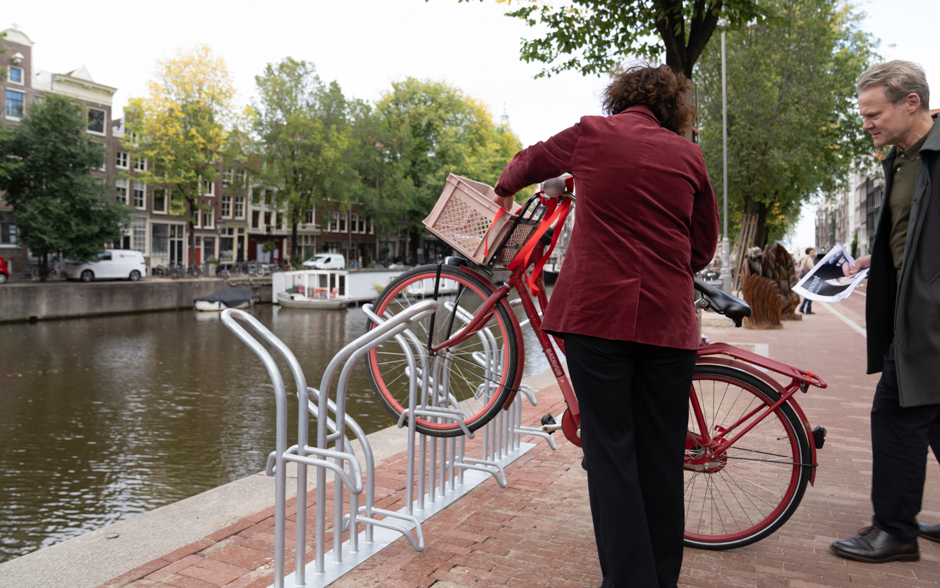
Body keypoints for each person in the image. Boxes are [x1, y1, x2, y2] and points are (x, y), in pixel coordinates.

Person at [493, 64, 718, 588]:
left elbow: (528, 161)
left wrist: (505, 190)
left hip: (598, 319)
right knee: (661, 456)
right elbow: (702, 247)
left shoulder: (590, 135)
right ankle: (661, 578)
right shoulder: (689, 155)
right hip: (667, 324)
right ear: (673, 111)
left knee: (611, 451)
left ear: (619, 99)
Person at [830, 60, 940, 563]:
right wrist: (881, 257)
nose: (867, 123)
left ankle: (895, 531)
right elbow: (913, 233)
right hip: (908, 309)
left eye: (874, 113)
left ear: (910, 103)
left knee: (895, 416)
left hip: (927, 321)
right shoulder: (900, 159)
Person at [797, 247, 816, 314]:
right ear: (808, 253)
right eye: (812, 253)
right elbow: (813, 269)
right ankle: (807, 309)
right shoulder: (809, 259)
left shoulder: (804, 259)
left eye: (813, 253)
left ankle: (802, 308)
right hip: (808, 280)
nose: (813, 254)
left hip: (804, 279)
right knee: (810, 294)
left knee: (808, 294)